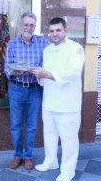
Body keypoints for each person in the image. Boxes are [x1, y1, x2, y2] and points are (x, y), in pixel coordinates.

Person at [32, 17, 85, 181]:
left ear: (65, 30)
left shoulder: (76, 49)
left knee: (69, 140)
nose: (55, 34)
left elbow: (73, 73)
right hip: (49, 102)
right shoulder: (47, 50)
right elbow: (46, 75)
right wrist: (39, 73)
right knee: (49, 135)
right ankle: (51, 161)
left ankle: (68, 171)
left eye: (58, 30)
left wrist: (47, 74)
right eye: (52, 31)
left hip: (68, 104)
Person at [4, 12, 50, 170]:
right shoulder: (12, 43)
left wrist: (42, 71)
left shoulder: (43, 42)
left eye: (32, 25)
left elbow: (50, 62)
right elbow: (7, 67)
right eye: (26, 24)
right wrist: (17, 72)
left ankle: (28, 156)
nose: (28, 27)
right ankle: (17, 155)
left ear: (35, 26)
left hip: (35, 89)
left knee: (31, 126)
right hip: (16, 88)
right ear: (20, 25)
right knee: (16, 125)